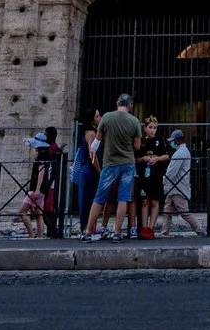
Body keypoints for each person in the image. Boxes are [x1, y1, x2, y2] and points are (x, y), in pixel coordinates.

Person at [86, 94, 141, 240]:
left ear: (117, 103)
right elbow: (137, 146)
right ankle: (117, 232)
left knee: (99, 197)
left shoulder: (107, 118)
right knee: (123, 198)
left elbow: (97, 141)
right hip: (128, 163)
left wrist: (94, 151)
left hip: (110, 163)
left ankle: (88, 232)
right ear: (130, 105)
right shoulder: (134, 121)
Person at [19, 126, 59, 238]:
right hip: (42, 189)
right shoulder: (45, 155)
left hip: (36, 189)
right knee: (38, 214)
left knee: (22, 211)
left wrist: (37, 189)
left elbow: (41, 173)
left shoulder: (42, 157)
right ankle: (40, 236)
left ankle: (32, 235)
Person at [68, 110, 101, 236]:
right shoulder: (91, 133)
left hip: (87, 168)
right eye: (97, 116)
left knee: (89, 198)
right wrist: (100, 171)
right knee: (89, 199)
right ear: (92, 119)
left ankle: (89, 227)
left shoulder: (90, 132)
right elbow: (92, 155)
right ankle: (87, 227)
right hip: (89, 169)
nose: (100, 117)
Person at [132, 116, 165, 237]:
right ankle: (144, 227)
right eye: (150, 127)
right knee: (145, 201)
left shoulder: (159, 140)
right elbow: (136, 158)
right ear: (145, 128)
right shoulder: (141, 141)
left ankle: (151, 228)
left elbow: (166, 156)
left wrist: (156, 158)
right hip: (144, 176)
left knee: (154, 202)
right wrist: (143, 159)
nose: (152, 130)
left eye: (155, 128)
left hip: (156, 175)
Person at [159, 127, 194, 236]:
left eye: (173, 141)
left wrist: (165, 179)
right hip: (174, 187)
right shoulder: (183, 151)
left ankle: (200, 230)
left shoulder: (180, 153)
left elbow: (172, 172)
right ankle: (165, 232)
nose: (171, 144)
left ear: (177, 140)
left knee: (184, 212)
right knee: (167, 210)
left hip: (176, 187)